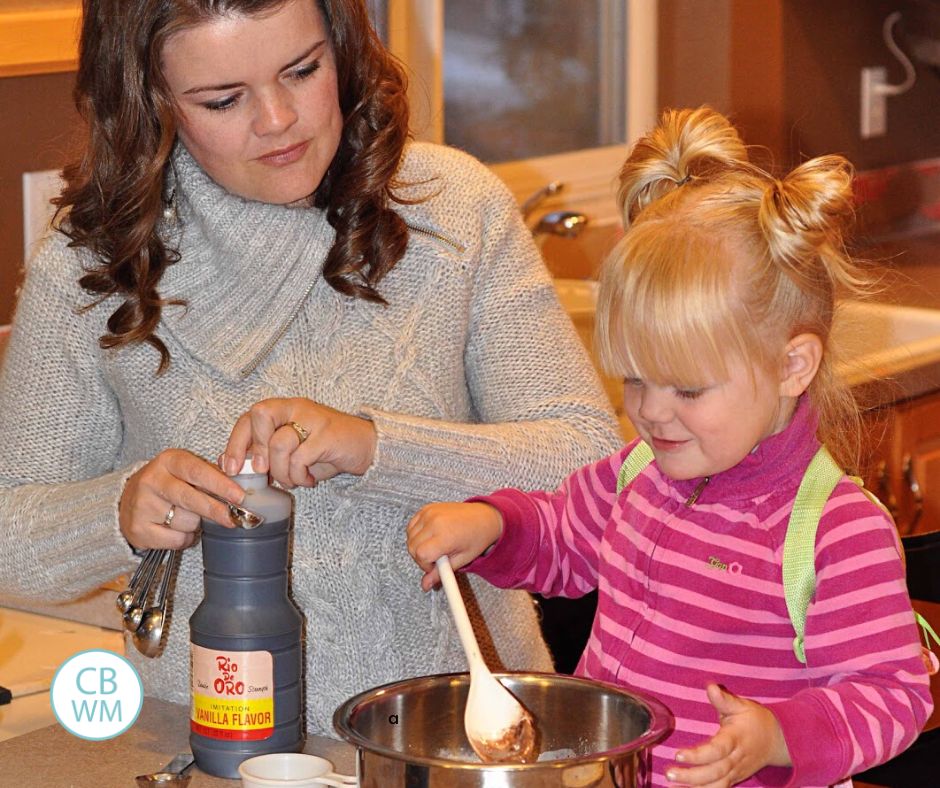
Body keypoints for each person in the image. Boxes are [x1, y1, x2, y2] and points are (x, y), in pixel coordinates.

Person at [0, 0, 622, 736]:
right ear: (150, 100)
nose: (277, 119)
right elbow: (11, 538)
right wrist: (120, 512)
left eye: (303, 70)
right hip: (206, 741)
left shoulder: (451, 209)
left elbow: (597, 469)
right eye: (223, 99)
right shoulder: (93, 262)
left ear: (344, 49)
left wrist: (376, 447)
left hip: (469, 738)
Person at [407, 107, 934, 786]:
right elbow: (563, 536)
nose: (653, 413)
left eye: (687, 390)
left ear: (791, 367)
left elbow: (893, 694)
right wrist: (495, 525)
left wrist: (778, 735)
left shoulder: (835, 532)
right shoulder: (638, 475)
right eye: (636, 378)